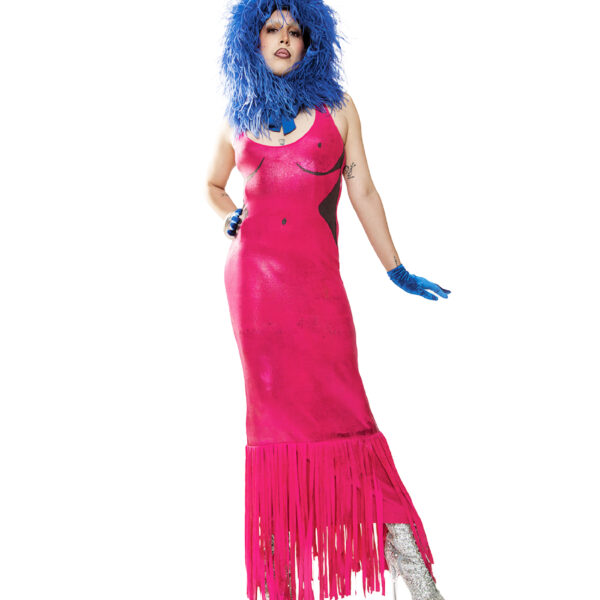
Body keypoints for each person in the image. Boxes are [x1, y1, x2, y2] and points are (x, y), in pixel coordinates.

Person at [206, 2, 451, 600]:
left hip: (316, 292)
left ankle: (418, 580)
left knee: (347, 416)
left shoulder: (337, 109)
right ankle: (281, 582)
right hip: (254, 292)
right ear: (252, 38)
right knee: (272, 429)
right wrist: (229, 212)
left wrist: (395, 267)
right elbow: (212, 184)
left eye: (295, 31)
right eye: (272, 29)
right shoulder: (239, 113)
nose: (283, 39)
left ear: (311, 42)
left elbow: (362, 190)